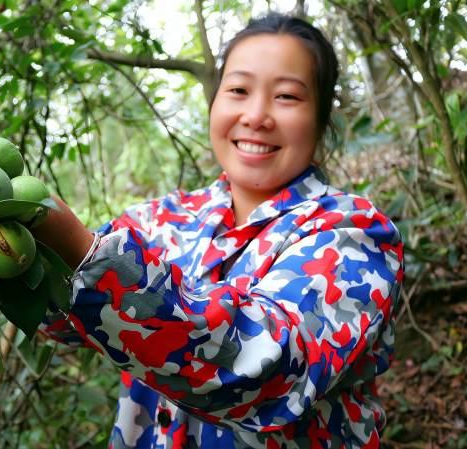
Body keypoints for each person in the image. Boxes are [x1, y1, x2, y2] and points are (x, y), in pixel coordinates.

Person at [32, 12, 404, 449]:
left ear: (322, 120)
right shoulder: (160, 220)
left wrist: (80, 251)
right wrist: (22, 255)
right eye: (238, 90)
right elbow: (65, 318)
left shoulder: (355, 233)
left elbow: (267, 371)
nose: (257, 115)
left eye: (286, 96)